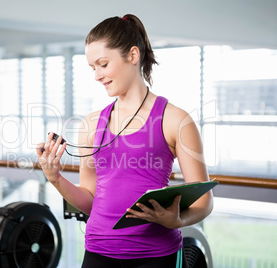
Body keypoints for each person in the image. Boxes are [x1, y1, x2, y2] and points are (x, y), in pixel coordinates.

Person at [36, 14, 213, 268]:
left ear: (132, 55)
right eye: (92, 68)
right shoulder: (90, 124)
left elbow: (204, 200)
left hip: (156, 255)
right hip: (98, 252)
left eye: (103, 64)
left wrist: (177, 220)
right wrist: (55, 178)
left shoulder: (175, 120)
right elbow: (89, 200)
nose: (97, 75)